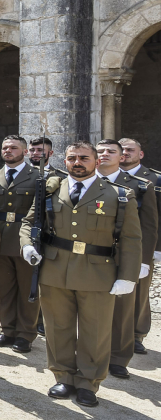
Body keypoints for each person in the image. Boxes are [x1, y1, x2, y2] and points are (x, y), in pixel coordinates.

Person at [21, 141, 142, 408]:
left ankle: (88, 382)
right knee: (57, 327)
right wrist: (28, 245)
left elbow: (131, 239)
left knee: (94, 332)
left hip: (97, 272)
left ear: (96, 161)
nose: (78, 162)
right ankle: (63, 376)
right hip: (55, 270)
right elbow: (30, 222)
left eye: (84, 158)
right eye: (72, 158)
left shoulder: (119, 195)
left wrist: (127, 276)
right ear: (64, 161)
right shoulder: (50, 188)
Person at [93, 139, 155, 380]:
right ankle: (89, 355)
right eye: (100, 151)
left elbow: (148, 229)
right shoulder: (81, 181)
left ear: (122, 157)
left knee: (122, 309)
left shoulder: (140, 186)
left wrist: (143, 261)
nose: (105, 154)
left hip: (123, 256)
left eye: (111, 151)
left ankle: (118, 358)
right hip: (89, 254)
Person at [0, 135, 42, 353]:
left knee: (27, 288)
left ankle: (25, 334)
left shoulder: (37, 176)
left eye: (13, 148)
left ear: (26, 152)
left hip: (24, 239)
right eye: (5, 147)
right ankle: (7, 330)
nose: (8, 151)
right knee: (3, 289)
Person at [118, 137, 160, 357]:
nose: (125, 153)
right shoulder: (108, 177)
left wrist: (155, 250)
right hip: (116, 245)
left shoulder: (154, 179)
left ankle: (136, 335)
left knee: (140, 293)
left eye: (130, 150)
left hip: (144, 246)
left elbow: (156, 219)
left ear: (140, 154)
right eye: (122, 149)